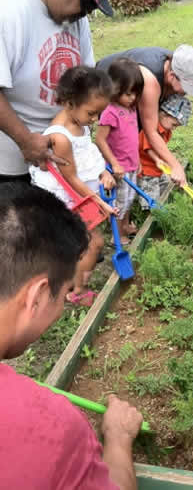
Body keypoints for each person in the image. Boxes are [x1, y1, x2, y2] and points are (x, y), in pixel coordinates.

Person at [0, 182, 143, 489]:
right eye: (65, 293)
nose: (63, 305)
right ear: (36, 296)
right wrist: (118, 441)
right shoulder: (49, 429)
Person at [0, 0, 116, 183]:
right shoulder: (8, 4)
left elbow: (86, 74)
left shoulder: (75, 15)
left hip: (60, 155)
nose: (85, 15)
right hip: (12, 164)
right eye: (86, 4)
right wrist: (25, 140)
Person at [30, 66, 117, 306]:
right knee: (93, 244)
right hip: (67, 202)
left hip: (79, 199)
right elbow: (72, 179)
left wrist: (103, 173)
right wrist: (100, 202)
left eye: (98, 113)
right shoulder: (60, 138)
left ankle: (68, 282)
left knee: (82, 246)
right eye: (92, 113)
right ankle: (77, 290)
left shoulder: (80, 123)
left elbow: (88, 156)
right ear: (70, 103)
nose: (95, 119)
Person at [97, 45, 193, 186]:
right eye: (187, 88)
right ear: (172, 76)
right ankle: (108, 179)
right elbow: (150, 131)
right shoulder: (150, 82)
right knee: (121, 135)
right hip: (109, 84)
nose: (189, 92)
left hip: (138, 89)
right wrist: (175, 165)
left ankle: (132, 175)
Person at [96, 58, 144, 245]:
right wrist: (114, 163)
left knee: (129, 199)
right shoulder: (110, 111)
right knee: (119, 203)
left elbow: (131, 137)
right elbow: (100, 140)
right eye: (128, 93)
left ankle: (125, 226)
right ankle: (117, 234)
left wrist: (137, 161)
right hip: (119, 168)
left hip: (131, 165)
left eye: (136, 93)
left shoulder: (130, 109)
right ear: (114, 89)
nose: (133, 98)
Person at [138, 94, 192, 209]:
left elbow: (162, 148)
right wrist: (157, 159)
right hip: (146, 169)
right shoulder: (151, 128)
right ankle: (151, 216)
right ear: (164, 114)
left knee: (165, 187)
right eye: (174, 124)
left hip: (158, 168)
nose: (174, 128)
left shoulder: (166, 131)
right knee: (150, 196)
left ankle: (164, 205)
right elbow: (148, 148)